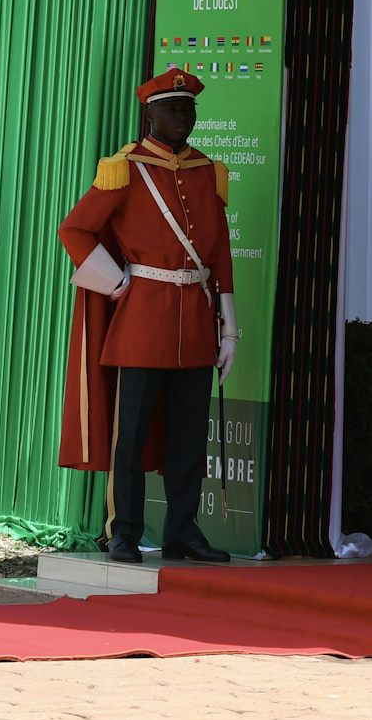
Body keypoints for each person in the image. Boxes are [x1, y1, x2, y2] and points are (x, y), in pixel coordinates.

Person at [58, 67, 238, 564]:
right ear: (150, 113)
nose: (182, 116)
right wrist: (115, 282)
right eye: (172, 108)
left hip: (197, 324)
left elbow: (219, 255)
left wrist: (230, 329)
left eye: (189, 109)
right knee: (130, 439)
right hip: (140, 324)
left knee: (187, 439)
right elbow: (74, 230)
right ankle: (125, 534)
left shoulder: (207, 170)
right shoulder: (124, 168)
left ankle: (182, 531)